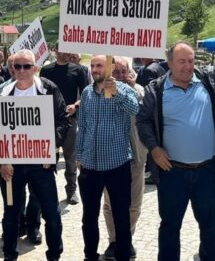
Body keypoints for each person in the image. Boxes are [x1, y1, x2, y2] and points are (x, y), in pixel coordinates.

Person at [137, 16, 215, 261]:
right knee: (169, 226)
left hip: (208, 172)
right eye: (181, 62)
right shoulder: (157, 89)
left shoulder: (209, 79)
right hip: (172, 173)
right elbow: (143, 121)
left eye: (191, 60)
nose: (187, 66)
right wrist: (153, 148)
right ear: (170, 63)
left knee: (210, 227)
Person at [0, 49, 69, 261]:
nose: (21, 70)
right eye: (17, 66)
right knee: (11, 215)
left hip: (41, 164)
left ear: (35, 68)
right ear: (12, 68)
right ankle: (10, 255)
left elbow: (63, 120)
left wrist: (50, 149)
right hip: (11, 165)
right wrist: (1, 161)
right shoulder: (2, 93)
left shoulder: (48, 89)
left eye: (26, 66)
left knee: (52, 215)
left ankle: (54, 255)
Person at [76, 55, 140, 261]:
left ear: (110, 68)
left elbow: (135, 109)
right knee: (89, 218)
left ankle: (122, 256)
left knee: (121, 216)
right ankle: (90, 256)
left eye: (99, 66)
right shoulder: (87, 93)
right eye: (92, 66)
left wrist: (117, 92)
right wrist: (79, 155)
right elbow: (83, 126)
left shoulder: (124, 90)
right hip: (90, 166)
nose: (94, 69)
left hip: (117, 165)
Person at [102, 56, 147, 260]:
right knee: (111, 203)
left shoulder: (139, 91)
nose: (119, 76)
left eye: (123, 71)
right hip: (109, 158)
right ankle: (114, 240)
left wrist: (131, 88)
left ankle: (126, 238)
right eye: (115, 72)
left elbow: (144, 110)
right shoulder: (101, 92)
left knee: (134, 202)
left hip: (135, 155)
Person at [39, 51, 89, 205]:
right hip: (48, 120)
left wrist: (75, 105)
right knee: (47, 157)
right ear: (56, 51)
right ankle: (47, 191)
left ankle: (72, 190)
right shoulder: (47, 70)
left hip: (69, 119)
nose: (66, 53)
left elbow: (86, 93)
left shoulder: (78, 70)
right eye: (63, 50)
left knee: (70, 157)